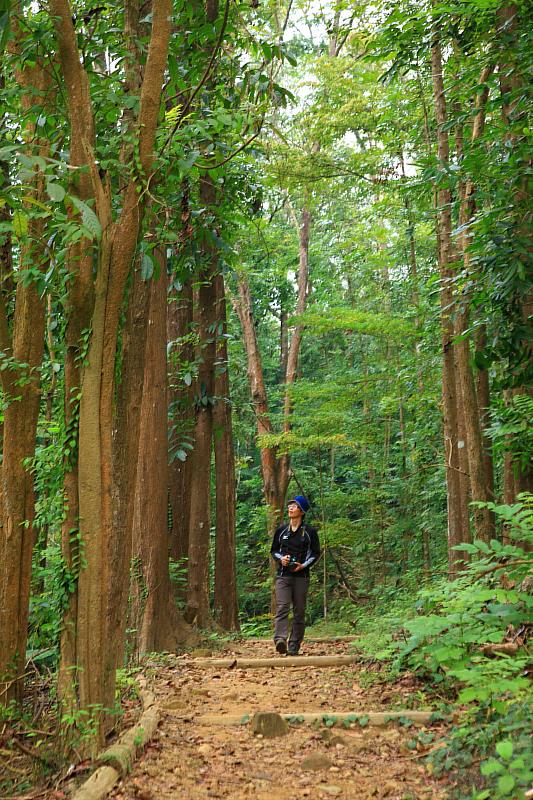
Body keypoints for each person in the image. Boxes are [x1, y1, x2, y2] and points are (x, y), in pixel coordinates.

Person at [270, 495, 320, 655]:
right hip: (283, 576)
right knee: (283, 607)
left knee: (299, 611)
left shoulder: (309, 532)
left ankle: (294, 645)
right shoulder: (281, 530)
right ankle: (280, 640)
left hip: (301, 577)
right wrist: (281, 559)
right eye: (290, 505)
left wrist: (303, 565)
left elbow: (315, 553)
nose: (291, 508)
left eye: (295, 506)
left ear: (302, 511)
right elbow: (274, 550)